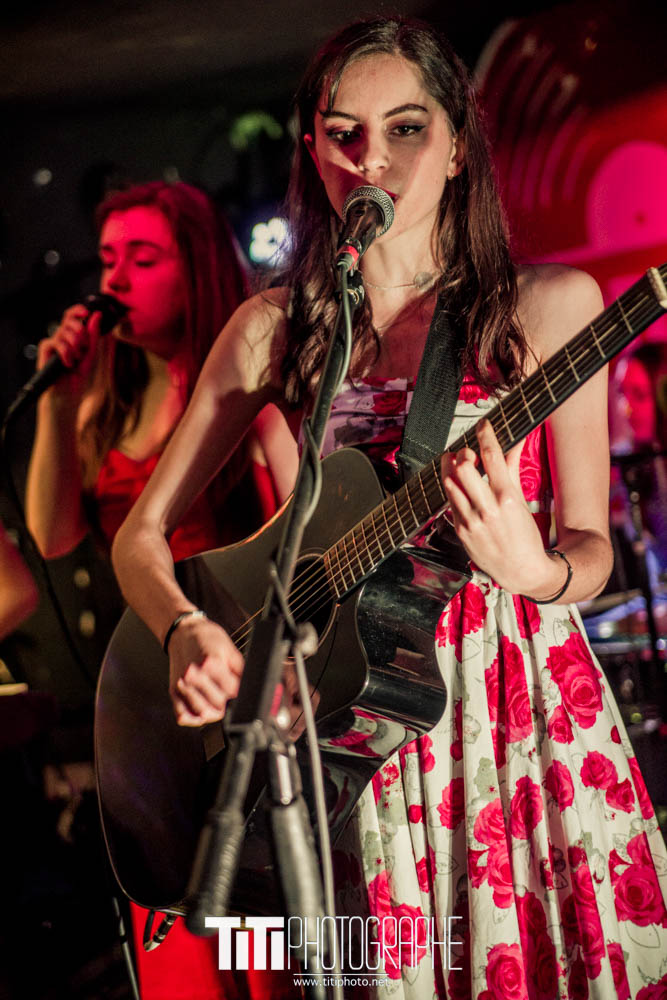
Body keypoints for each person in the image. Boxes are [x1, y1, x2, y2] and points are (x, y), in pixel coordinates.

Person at [111, 19, 667, 999]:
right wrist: (186, 628)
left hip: (511, 704)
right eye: (344, 132)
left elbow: (592, 546)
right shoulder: (269, 330)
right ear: (312, 151)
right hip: (341, 718)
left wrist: (535, 572)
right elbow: (139, 538)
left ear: (459, 144)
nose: (374, 158)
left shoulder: (550, 304)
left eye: (407, 127)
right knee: (344, 969)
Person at [24, 180, 298, 1000]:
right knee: (183, 944)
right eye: (108, 259)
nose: (114, 280)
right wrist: (58, 398)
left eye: (142, 259)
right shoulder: (114, 400)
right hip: (153, 689)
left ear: (199, 266)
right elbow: (52, 534)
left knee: (265, 937)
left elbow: (302, 533)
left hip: (238, 680)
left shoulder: (248, 397)